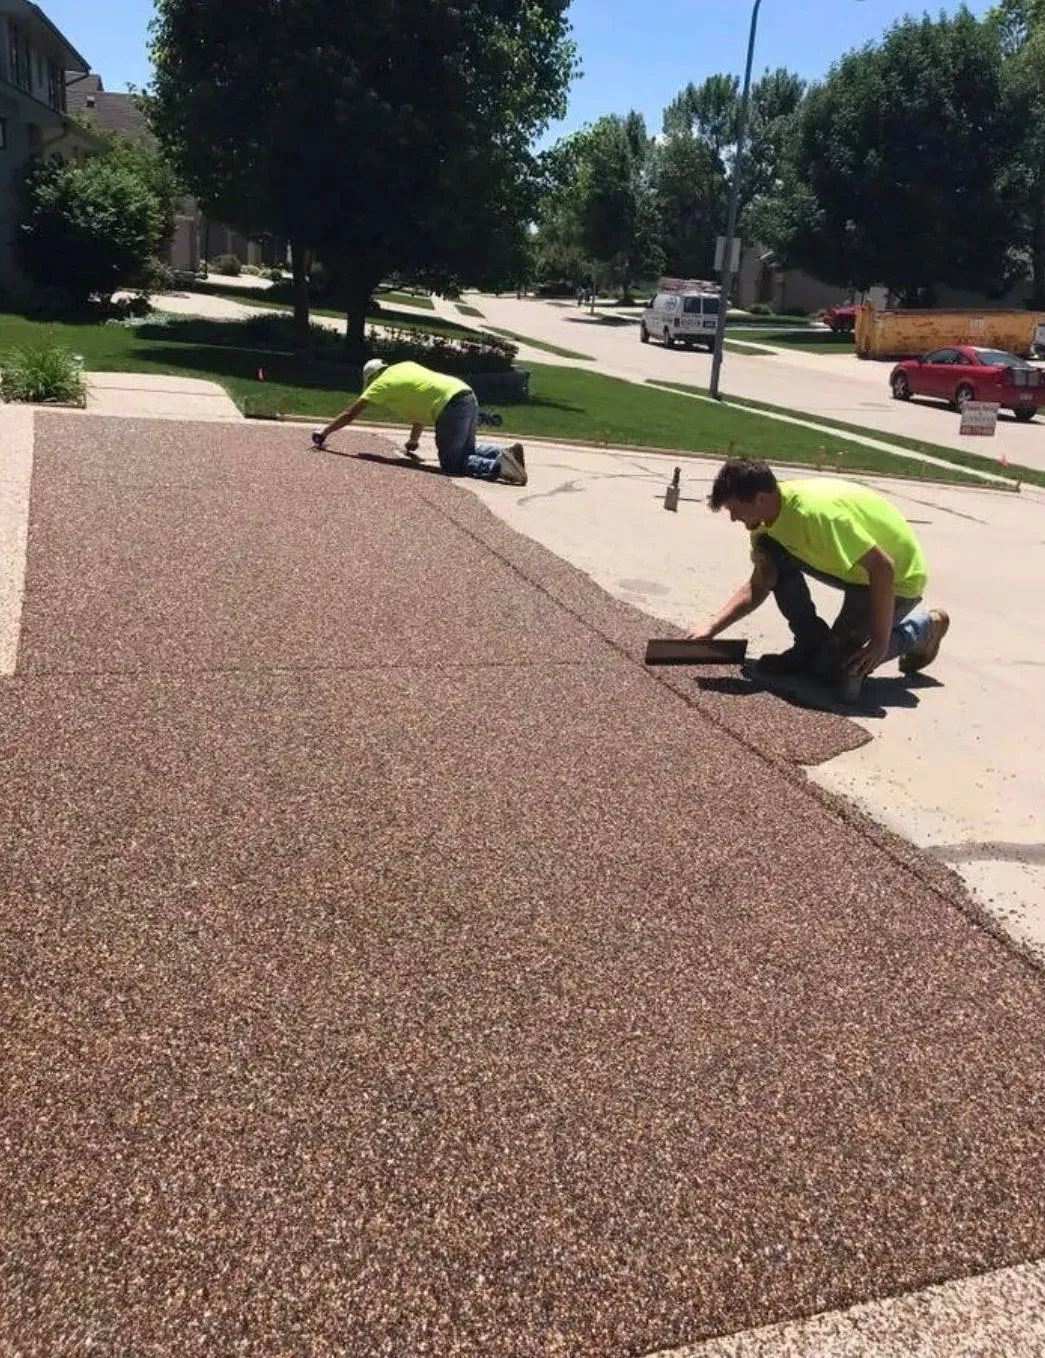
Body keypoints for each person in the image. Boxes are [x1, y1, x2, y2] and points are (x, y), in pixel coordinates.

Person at [688, 457, 949, 698]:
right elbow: (760, 583)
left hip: (896, 578)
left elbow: (883, 567)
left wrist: (880, 643)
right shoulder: (764, 524)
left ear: (760, 498)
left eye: (735, 509)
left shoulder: (818, 517)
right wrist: (712, 626)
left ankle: (924, 627)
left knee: (837, 669)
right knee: (770, 552)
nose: (734, 518)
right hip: (851, 569)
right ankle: (810, 642)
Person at [312, 359, 527, 486]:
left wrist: (324, 432)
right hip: (465, 393)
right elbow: (421, 407)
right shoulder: (404, 366)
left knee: (452, 463)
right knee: (466, 449)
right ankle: (503, 451)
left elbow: (350, 413)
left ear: (370, 378)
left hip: (450, 405)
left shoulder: (380, 384)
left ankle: (499, 467)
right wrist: (412, 442)